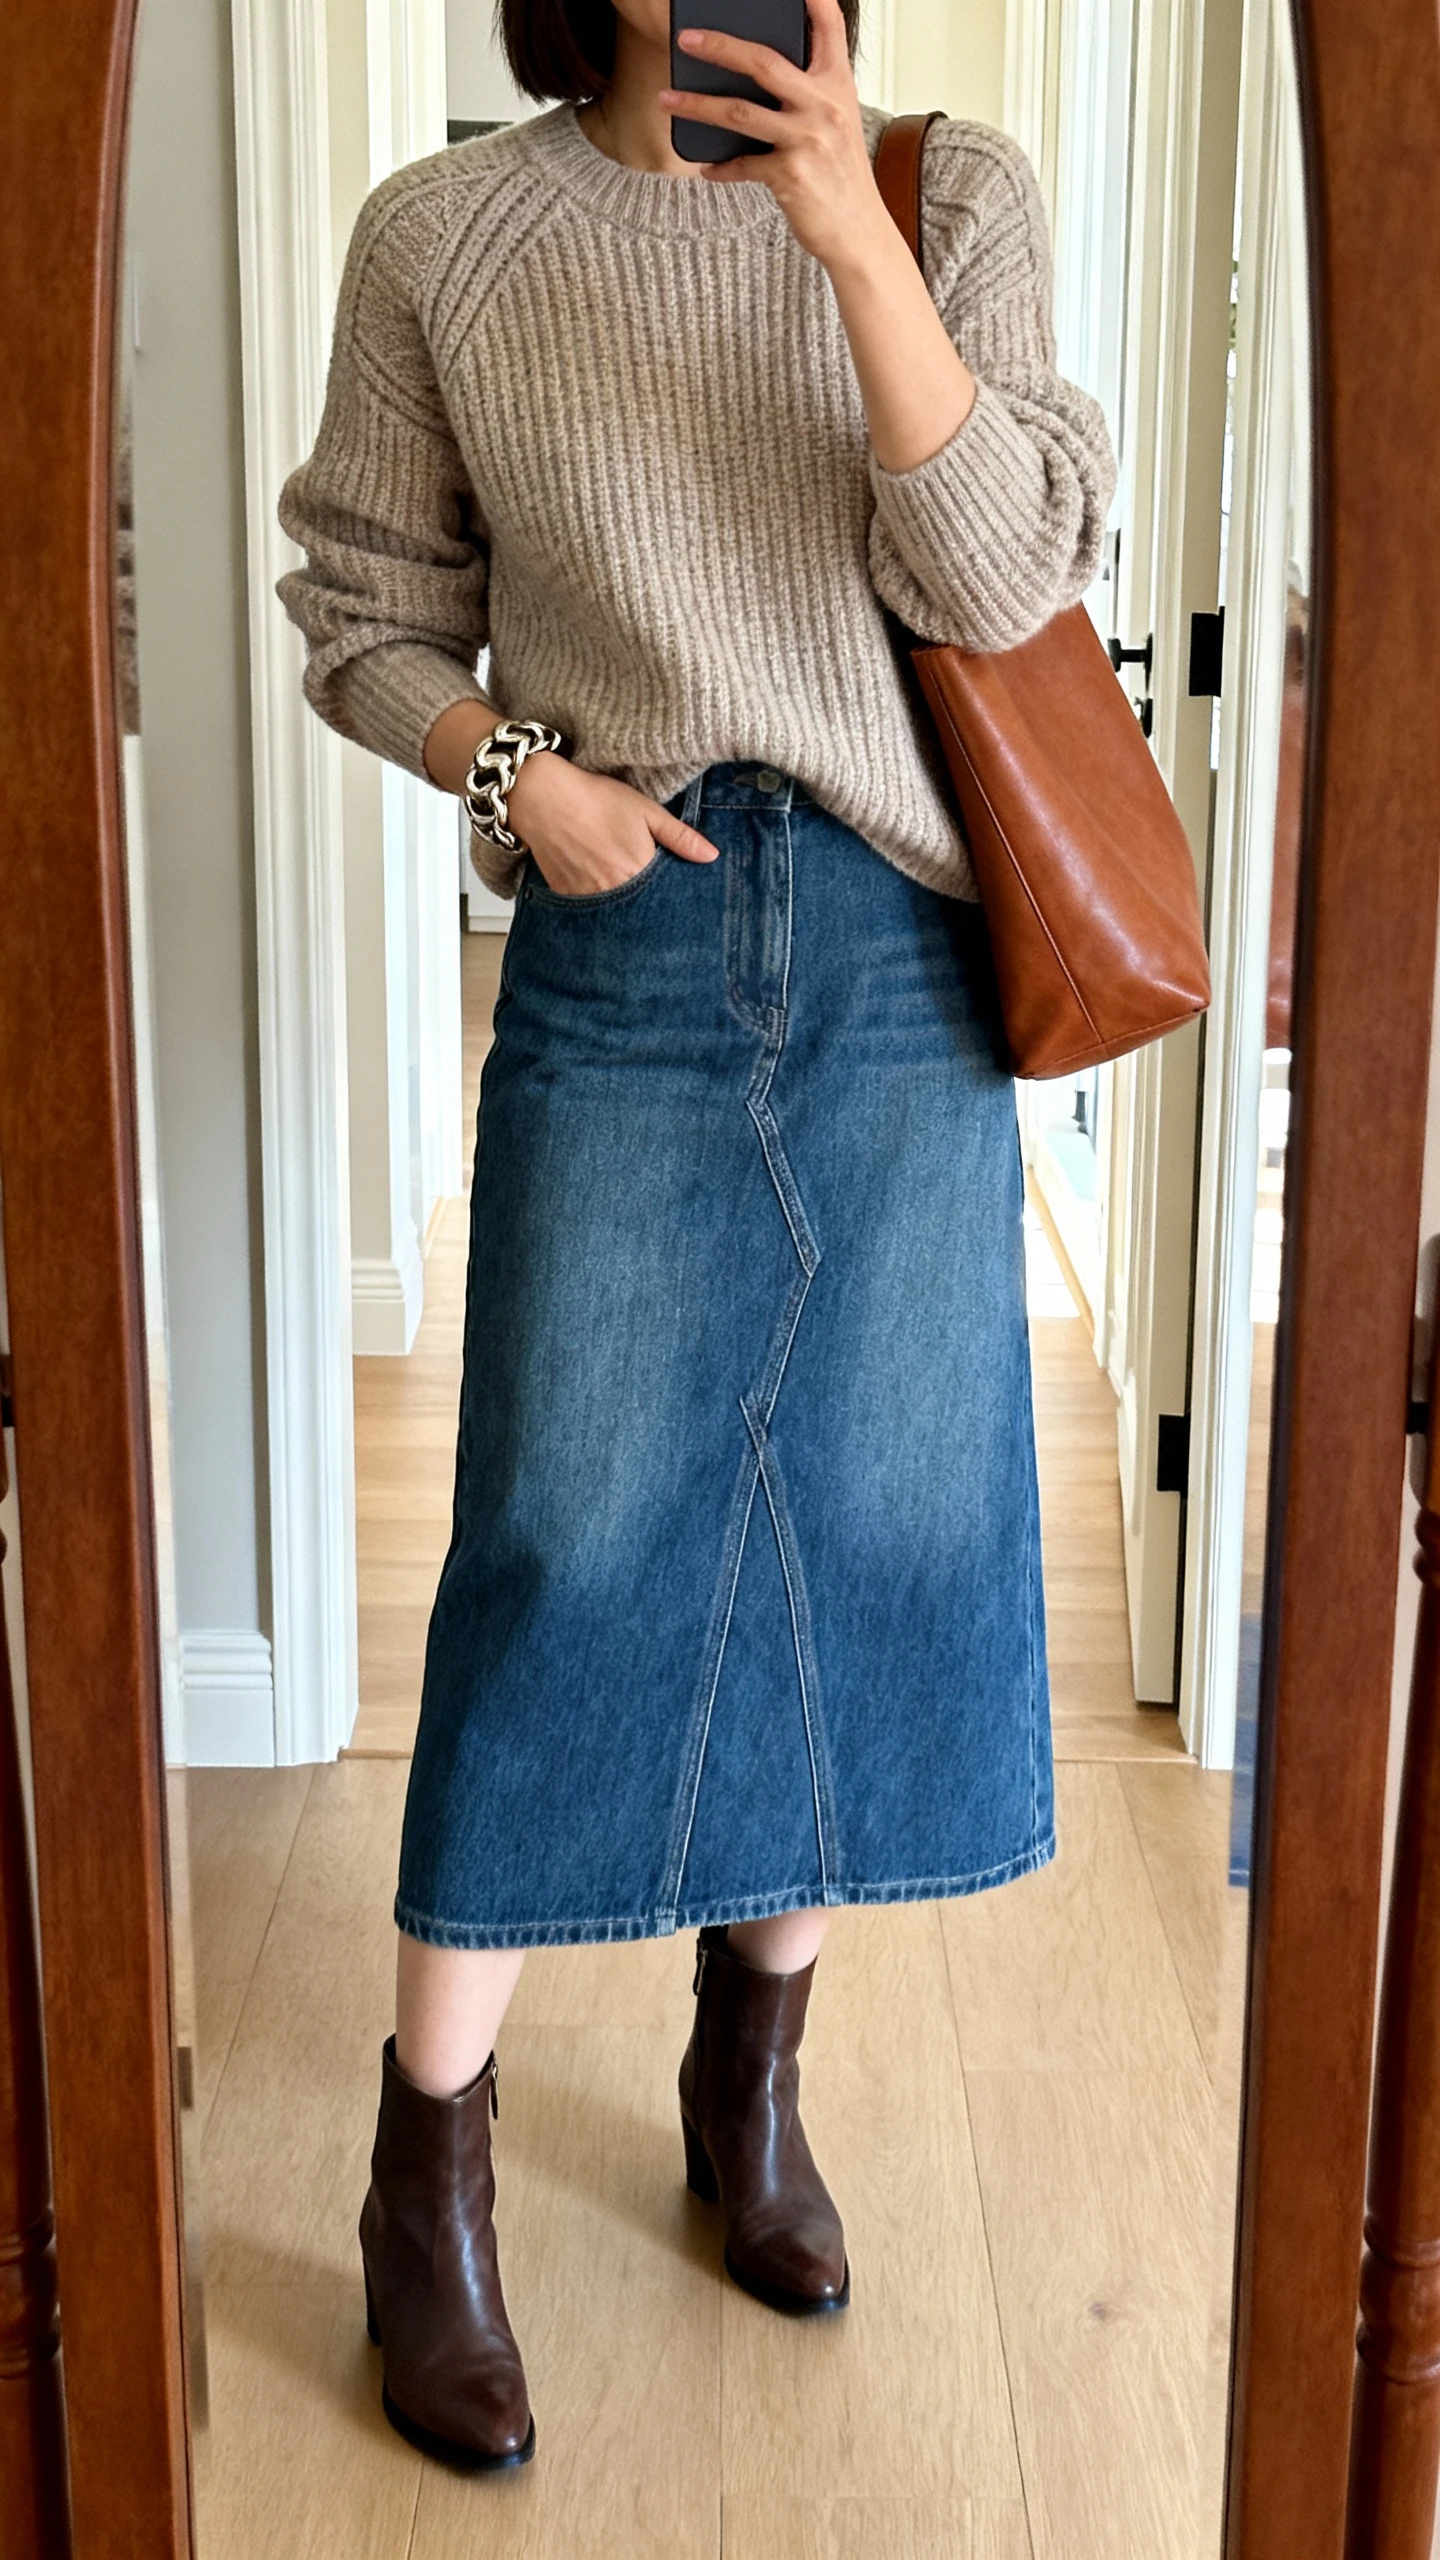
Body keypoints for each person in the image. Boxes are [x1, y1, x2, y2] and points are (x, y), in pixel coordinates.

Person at [278, 0, 1114, 2472]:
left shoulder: (959, 192)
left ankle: (751, 2083)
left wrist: (849, 229)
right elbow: (359, 606)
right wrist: (519, 776)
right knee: (560, 1539)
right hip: (621, 941)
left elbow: (1005, 572)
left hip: (895, 950)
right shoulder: (445, 229)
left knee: (865, 1532)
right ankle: (424, 2169)